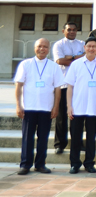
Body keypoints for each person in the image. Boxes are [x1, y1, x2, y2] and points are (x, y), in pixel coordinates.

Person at [14, 38, 64, 175]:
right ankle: (25, 164)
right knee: (27, 138)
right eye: (39, 46)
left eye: (45, 47)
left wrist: (56, 107)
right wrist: (18, 105)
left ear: (49, 49)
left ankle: (40, 164)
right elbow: (18, 85)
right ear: (34, 48)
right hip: (28, 108)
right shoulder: (26, 64)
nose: (42, 49)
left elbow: (58, 89)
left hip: (46, 108)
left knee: (43, 138)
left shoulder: (54, 66)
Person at [65, 37, 96, 174]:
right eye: (89, 46)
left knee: (91, 138)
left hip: (93, 107)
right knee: (75, 137)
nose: (91, 49)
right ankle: (75, 164)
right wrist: (69, 106)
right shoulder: (76, 64)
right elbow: (70, 87)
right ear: (84, 48)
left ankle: (89, 163)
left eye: (94, 46)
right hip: (77, 107)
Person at [52, 22, 85, 154]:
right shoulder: (59, 45)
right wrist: (77, 58)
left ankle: (78, 143)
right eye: (69, 30)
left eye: (74, 30)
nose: (71, 32)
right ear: (63, 31)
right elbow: (60, 61)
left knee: (77, 116)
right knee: (61, 116)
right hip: (63, 84)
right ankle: (60, 144)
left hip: (78, 85)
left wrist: (69, 58)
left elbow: (85, 58)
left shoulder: (82, 43)